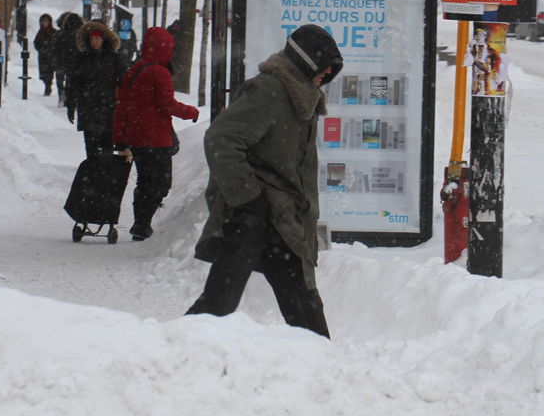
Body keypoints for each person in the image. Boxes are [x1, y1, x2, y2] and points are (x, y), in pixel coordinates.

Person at [186, 24, 343, 339]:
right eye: (324, 64)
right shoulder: (270, 91)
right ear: (306, 62)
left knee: (302, 302)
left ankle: (323, 367)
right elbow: (222, 139)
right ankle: (173, 351)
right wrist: (248, 198)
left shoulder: (302, 96)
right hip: (252, 218)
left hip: (281, 221)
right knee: (220, 304)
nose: (327, 72)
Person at [112, 27, 200, 241]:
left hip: (137, 137)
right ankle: (143, 223)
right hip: (156, 138)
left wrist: (121, 134)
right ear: (165, 48)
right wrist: (191, 112)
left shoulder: (135, 69)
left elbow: (122, 104)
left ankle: (140, 222)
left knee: (145, 181)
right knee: (161, 182)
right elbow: (167, 104)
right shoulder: (159, 72)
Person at [65, 21, 127, 159]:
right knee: (91, 146)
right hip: (88, 108)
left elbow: (124, 80)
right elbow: (74, 82)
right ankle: (93, 173)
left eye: (97, 38)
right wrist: (71, 103)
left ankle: (104, 175)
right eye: (92, 38)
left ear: (104, 39)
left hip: (108, 108)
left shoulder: (114, 59)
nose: (94, 42)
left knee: (107, 146)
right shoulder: (83, 59)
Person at [53, 12, 83, 107]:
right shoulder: (80, 35)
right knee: (71, 80)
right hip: (74, 62)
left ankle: (62, 95)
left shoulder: (60, 34)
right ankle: (71, 97)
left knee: (60, 80)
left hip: (62, 60)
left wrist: (56, 59)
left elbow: (55, 47)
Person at [33, 13, 57, 96]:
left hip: (51, 56)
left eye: (46, 21)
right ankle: (46, 84)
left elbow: (57, 42)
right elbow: (36, 43)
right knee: (43, 74)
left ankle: (48, 87)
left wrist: (51, 49)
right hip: (42, 56)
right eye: (43, 21)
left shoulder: (53, 32)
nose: (45, 23)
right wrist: (41, 49)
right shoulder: (40, 32)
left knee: (50, 72)